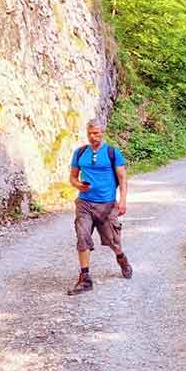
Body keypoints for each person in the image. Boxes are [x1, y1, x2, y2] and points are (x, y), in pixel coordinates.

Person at [66, 119, 132, 295]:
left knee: (113, 240)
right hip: (85, 203)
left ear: (102, 133)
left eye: (95, 133)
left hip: (107, 204)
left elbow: (123, 179)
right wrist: (78, 185)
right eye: (89, 133)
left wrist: (123, 201)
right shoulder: (80, 153)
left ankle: (121, 257)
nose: (92, 137)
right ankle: (85, 278)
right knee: (82, 236)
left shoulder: (112, 153)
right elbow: (72, 177)